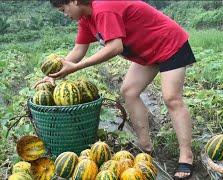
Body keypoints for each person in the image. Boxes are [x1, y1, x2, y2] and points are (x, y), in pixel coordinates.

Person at [39, 0, 196, 179]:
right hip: (148, 51)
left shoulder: (103, 9)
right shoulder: (86, 18)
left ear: (74, 1)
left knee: (172, 99)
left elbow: (115, 47)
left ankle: (187, 156)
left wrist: (77, 67)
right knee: (129, 91)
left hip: (169, 44)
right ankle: (146, 149)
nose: (65, 14)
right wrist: (52, 75)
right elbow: (78, 50)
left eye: (63, 9)